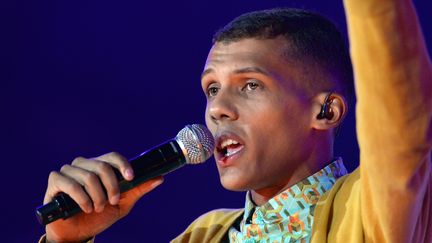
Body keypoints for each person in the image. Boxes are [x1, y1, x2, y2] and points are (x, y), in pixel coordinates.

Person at [39, 0, 432, 242]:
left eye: (250, 86)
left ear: (325, 111)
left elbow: (400, 114)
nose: (217, 109)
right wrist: (65, 242)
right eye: (211, 89)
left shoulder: (371, 208)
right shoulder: (204, 235)